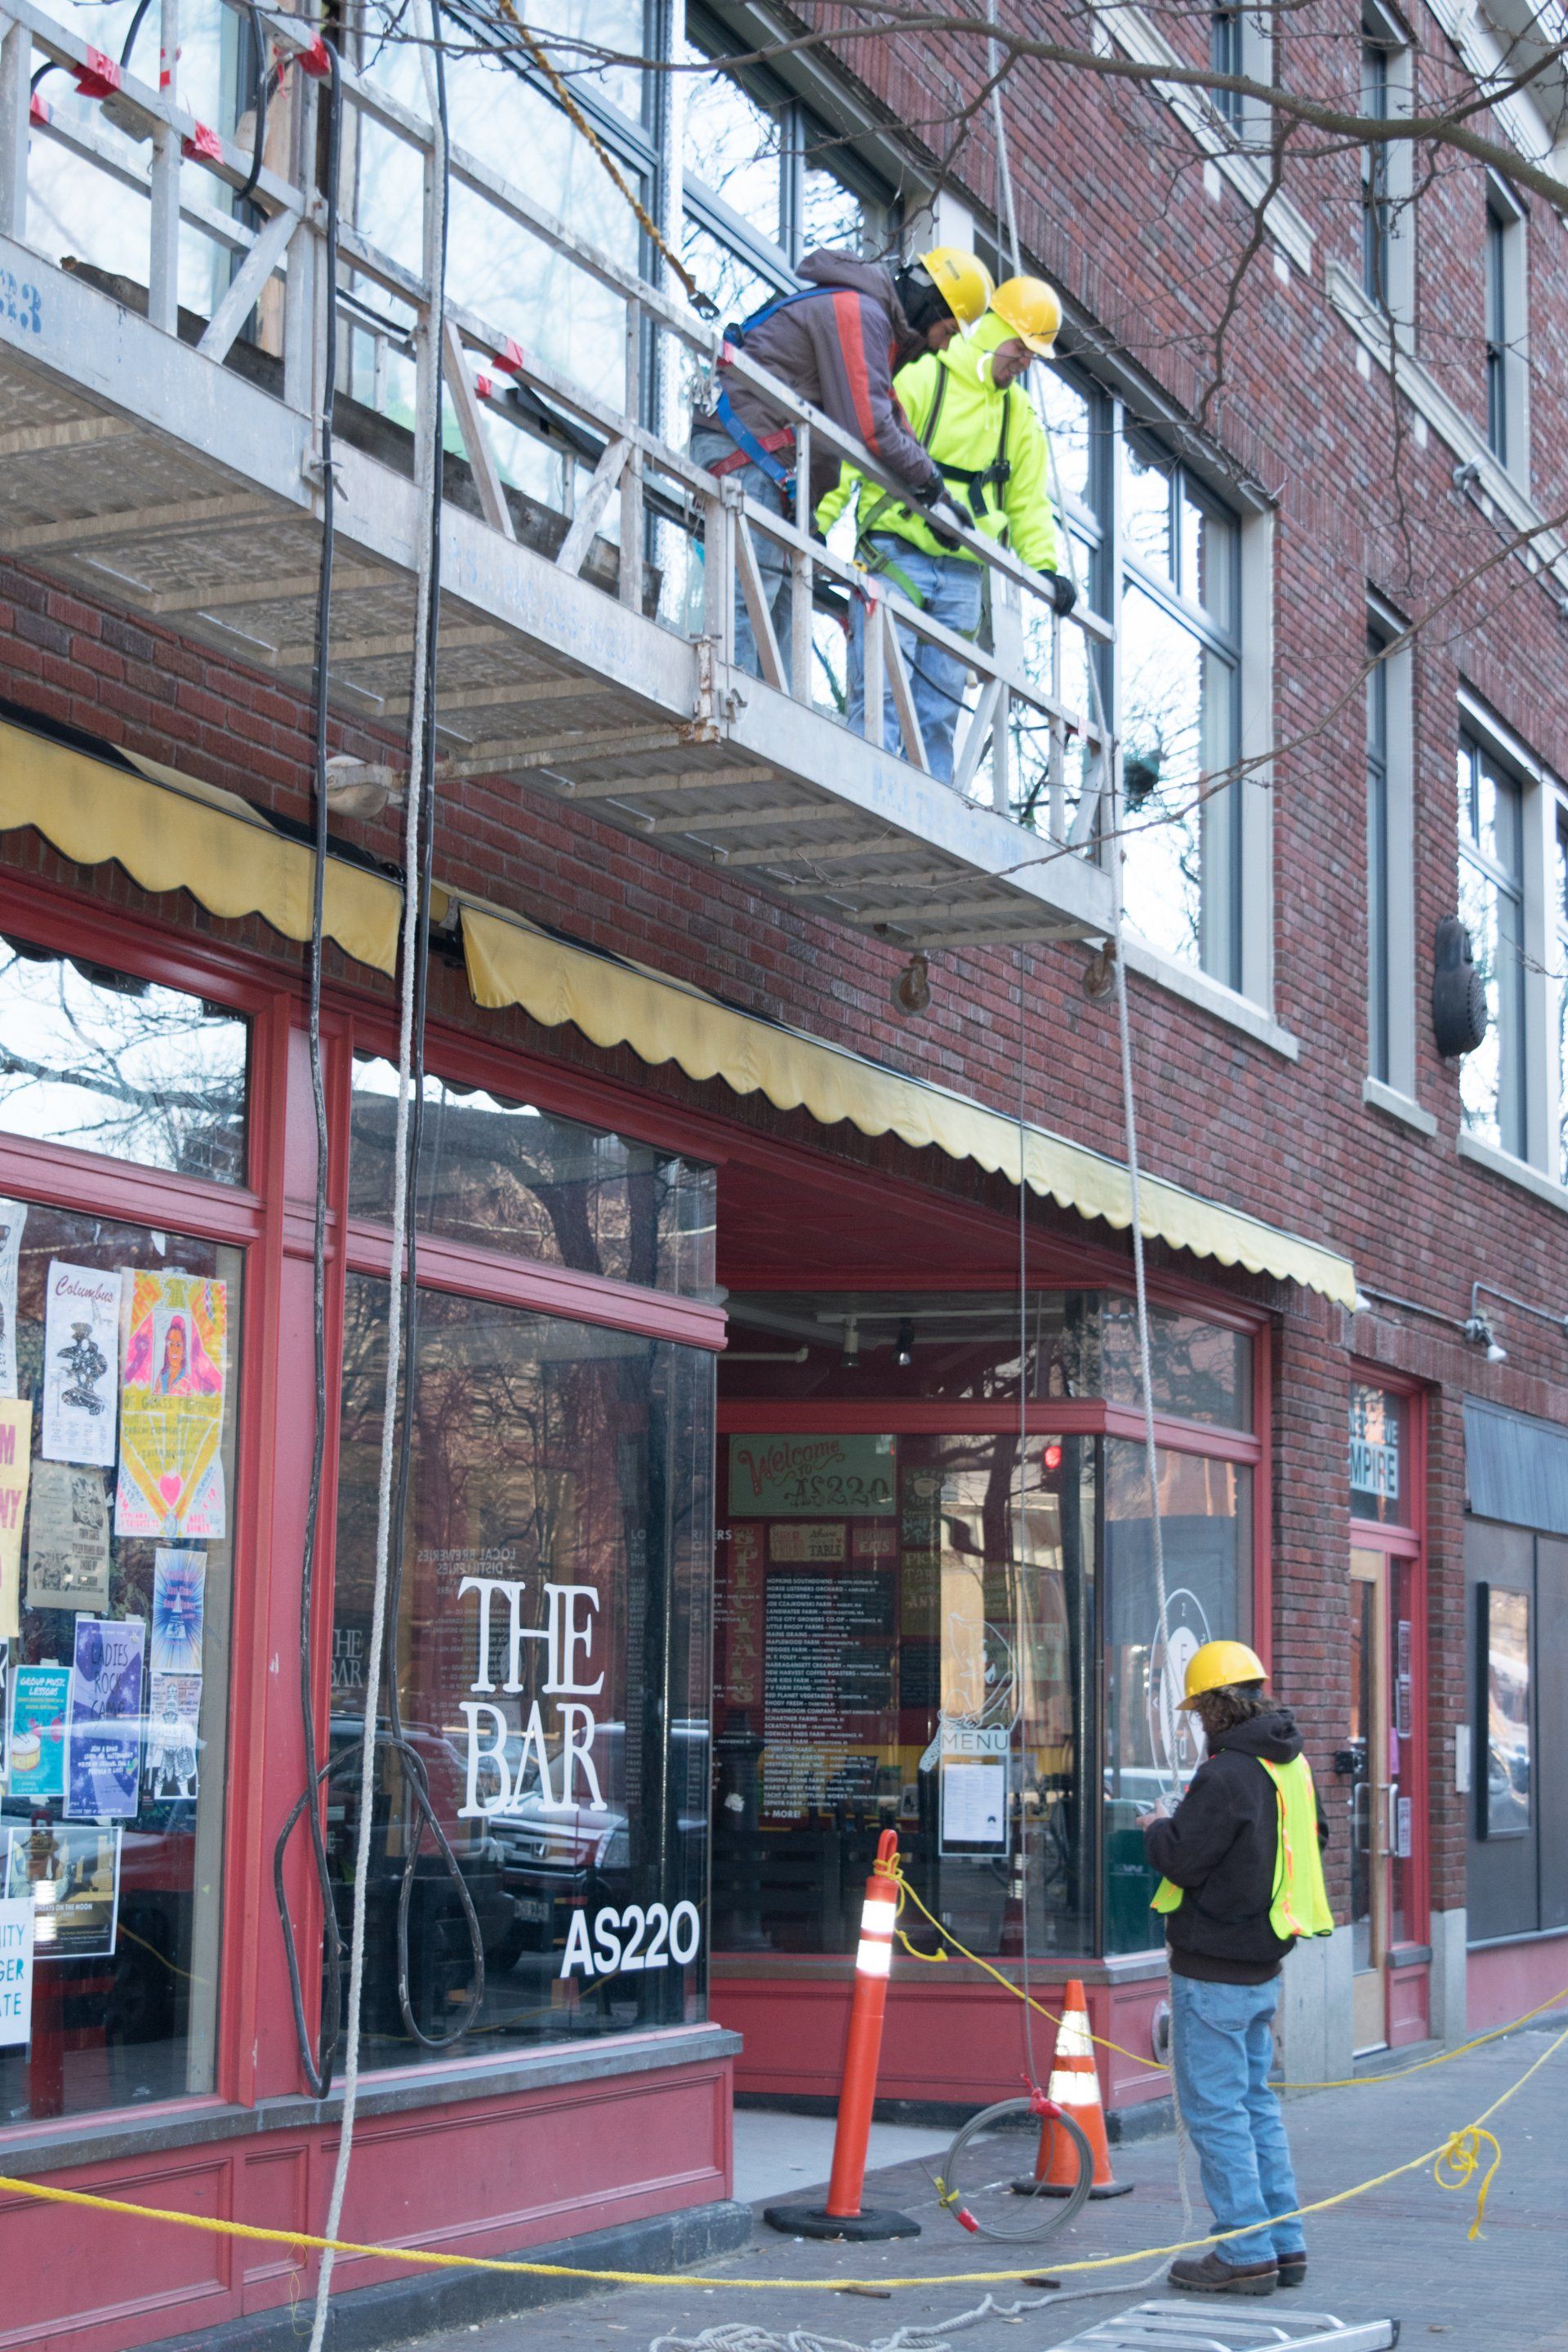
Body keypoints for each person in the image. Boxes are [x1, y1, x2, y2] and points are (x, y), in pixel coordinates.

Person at [691, 247, 991, 683]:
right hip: (747, 455)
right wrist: (926, 479)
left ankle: (760, 715)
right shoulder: (860, 312)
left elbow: (889, 414)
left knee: (779, 621)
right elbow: (872, 426)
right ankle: (727, 695)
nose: (942, 346)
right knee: (746, 602)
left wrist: (938, 498)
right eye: (947, 331)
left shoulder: (870, 321)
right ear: (933, 306)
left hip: (767, 466)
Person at [822, 274, 1077, 783]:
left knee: (937, 717)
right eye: (1021, 348)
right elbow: (861, 449)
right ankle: (862, 791)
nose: (1024, 363)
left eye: (1033, 356)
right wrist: (821, 519)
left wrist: (1047, 570)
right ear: (996, 330)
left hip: (962, 575)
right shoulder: (926, 379)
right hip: (895, 554)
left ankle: (924, 808)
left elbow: (1028, 505)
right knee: (879, 697)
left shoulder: (1020, 420)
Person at [1138, 1639, 1332, 2299]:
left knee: (1217, 2113)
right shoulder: (1290, 1765)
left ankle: (1245, 2252)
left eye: (1197, 1712)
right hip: (1263, 1964)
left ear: (1213, 1707)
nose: (1196, 1722)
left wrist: (1156, 1825)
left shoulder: (1225, 1775)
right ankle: (1283, 2243)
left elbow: (1183, 1859)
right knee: (1255, 2107)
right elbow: (1311, 1840)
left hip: (1213, 1970)